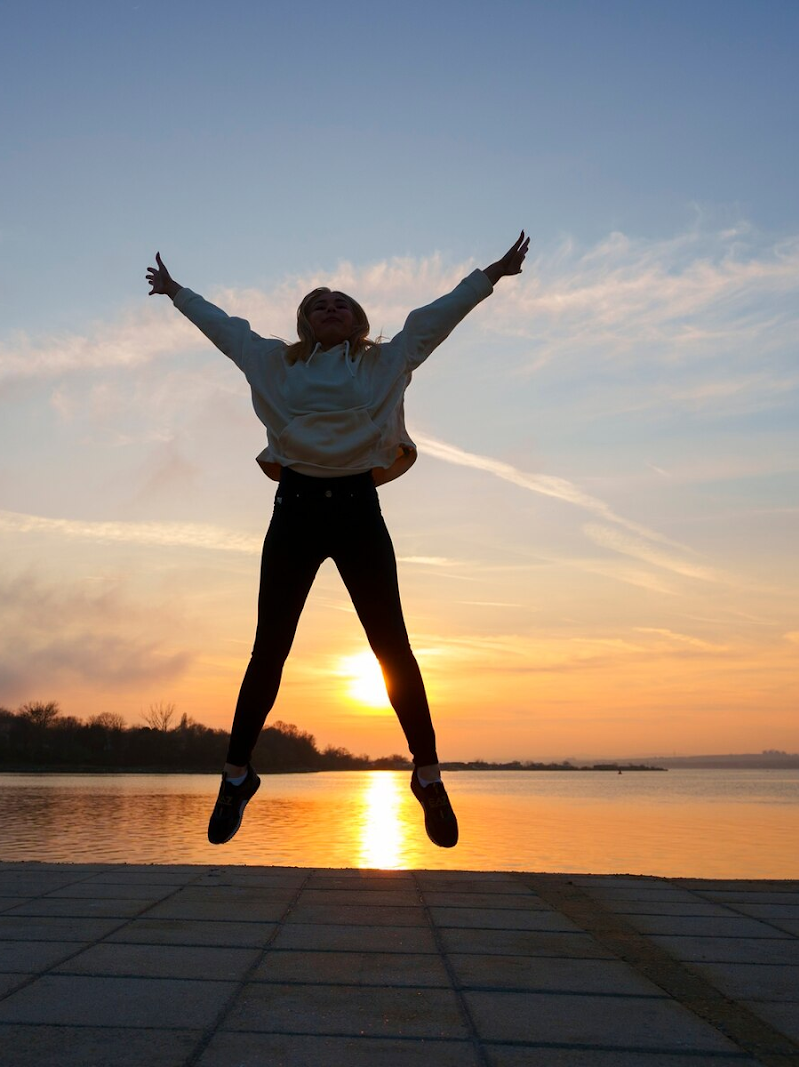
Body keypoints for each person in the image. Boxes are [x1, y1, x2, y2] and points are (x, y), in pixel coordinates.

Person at [146, 233, 530, 848]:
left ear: (358, 322)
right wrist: (175, 293)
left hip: (357, 509)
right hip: (295, 509)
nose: (329, 305)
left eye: (341, 302)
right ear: (303, 322)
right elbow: (224, 327)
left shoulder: (384, 362)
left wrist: (491, 275)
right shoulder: (273, 361)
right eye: (317, 302)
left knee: (391, 647)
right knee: (268, 650)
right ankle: (236, 776)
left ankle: (428, 777)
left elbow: (435, 318)